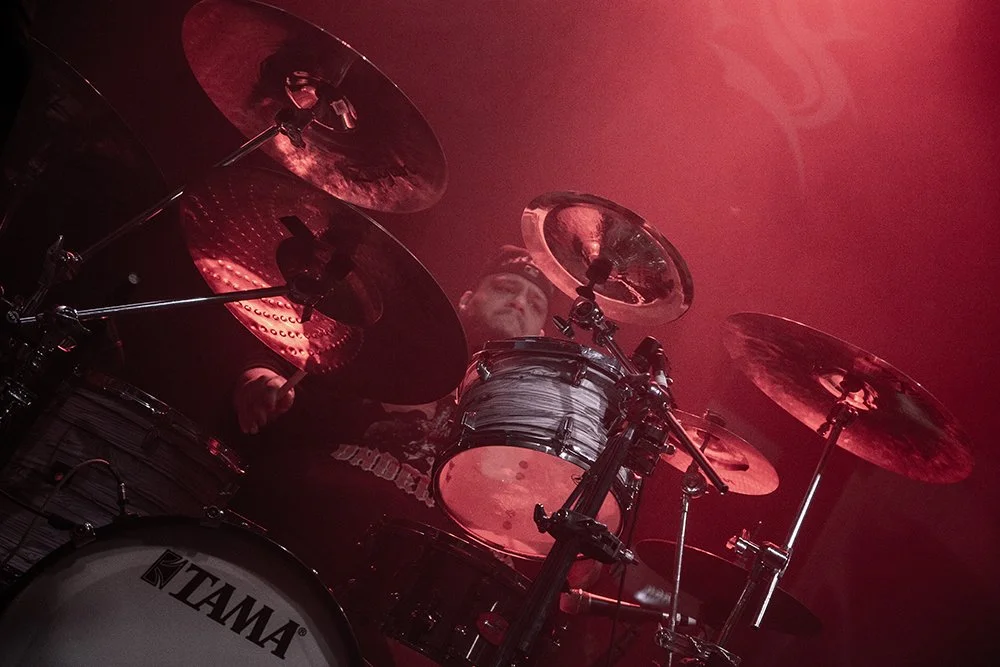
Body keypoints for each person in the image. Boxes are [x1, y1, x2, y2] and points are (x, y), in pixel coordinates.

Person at [228, 245, 566, 666]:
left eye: (535, 303)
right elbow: (292, 352)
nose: (518, 302)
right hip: (308, 531)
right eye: (505, 287)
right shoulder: (394, 342)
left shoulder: (532, 424)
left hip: (412, 609)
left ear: (540, 337)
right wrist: (257, 377)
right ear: (465, 299)